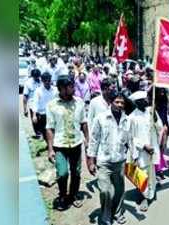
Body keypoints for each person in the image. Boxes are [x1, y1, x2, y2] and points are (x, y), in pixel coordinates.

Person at [87, 91, 131, 225]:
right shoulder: (101, 118)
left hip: (120, 161)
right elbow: (94, 140)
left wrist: (131, 157)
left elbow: (130, 141)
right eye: (117, 102)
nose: (119, 105)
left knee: (119, 190)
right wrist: (91, 160)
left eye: (122, 102)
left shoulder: (127, 120)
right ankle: (105, 214)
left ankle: (117, 213)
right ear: (111, 102)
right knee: (105, 191)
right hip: (104, 161)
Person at [46, 75, 89, 210]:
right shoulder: (52, 105)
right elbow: (50, 128)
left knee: (76, 173)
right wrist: (50, 149)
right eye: (71, 86)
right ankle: (63, 195)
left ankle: (73, 195)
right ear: (62, 89)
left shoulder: (79, 102)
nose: (74, 88)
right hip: (60, 146)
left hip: (76, 143)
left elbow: (83, 123)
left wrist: (87, 140)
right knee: (63, 173)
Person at [129, 91, 163, 212]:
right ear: (137, 103)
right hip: (141, 151)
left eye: (146, 99)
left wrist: (155, 119)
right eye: (143, 100)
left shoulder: (151, 112)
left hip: (153, 148)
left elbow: (160, 128)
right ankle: (144, 196)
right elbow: (131, 138)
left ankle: (149, 195)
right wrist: (143, 146)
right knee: (142, 174)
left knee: (151, 173)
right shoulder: (132, 117)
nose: (147, 101)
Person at [31, 72, 57, 144]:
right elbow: (35, 103)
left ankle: (53, 144)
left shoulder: (55, 90)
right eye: (45, 81)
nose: (47, 82)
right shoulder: (38, 91)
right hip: (43, 114)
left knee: (54, 129)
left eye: (48, 80)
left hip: (54, 113)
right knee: (45, 130)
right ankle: (49, 144)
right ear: (42, 81)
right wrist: (34, 115)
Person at [23, 68, 41, 138]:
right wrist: (25, 109)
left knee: (42, 119)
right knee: (35, 119)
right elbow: (25, 97)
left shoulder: (41, 81)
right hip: (32, 103)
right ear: (32, 76)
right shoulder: (28, 83)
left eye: (38, 76)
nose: (37, 78)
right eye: (35, 77)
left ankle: (43, 132)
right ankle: (38, 133)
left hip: (41, 103)